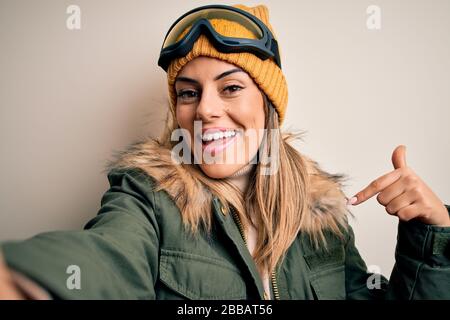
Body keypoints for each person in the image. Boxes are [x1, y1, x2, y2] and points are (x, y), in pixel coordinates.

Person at [0, 3, 449, 300]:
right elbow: (105, 256)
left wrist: (431, 240)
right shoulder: (147, 198)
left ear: (268, 104)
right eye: (188, 93)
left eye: (230, 87)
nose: (206, 111)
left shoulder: (320, 216)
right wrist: (24, 278)